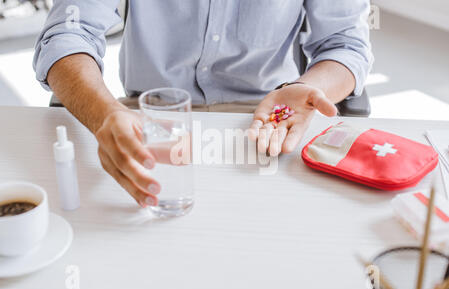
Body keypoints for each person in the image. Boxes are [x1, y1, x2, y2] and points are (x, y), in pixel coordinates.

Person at [33, 0, 373, 207]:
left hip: (267, 124)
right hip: (147, 121)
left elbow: (346, 45)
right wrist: (103, 114)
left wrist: (308, 87)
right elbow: (66, 34)